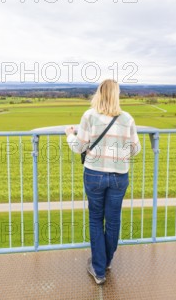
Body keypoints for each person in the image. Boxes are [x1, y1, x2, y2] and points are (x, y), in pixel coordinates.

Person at [65, 79, 141, 285]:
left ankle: (99, 269)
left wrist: (69, 135)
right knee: (113, 219)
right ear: (117, 95)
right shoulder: (127, 119)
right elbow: (135, 149)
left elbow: (79, 147)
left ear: (99, 93)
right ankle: (105, 262)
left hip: (94, 174)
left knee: (96, 219)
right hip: (119, 176)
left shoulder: (89, 116)